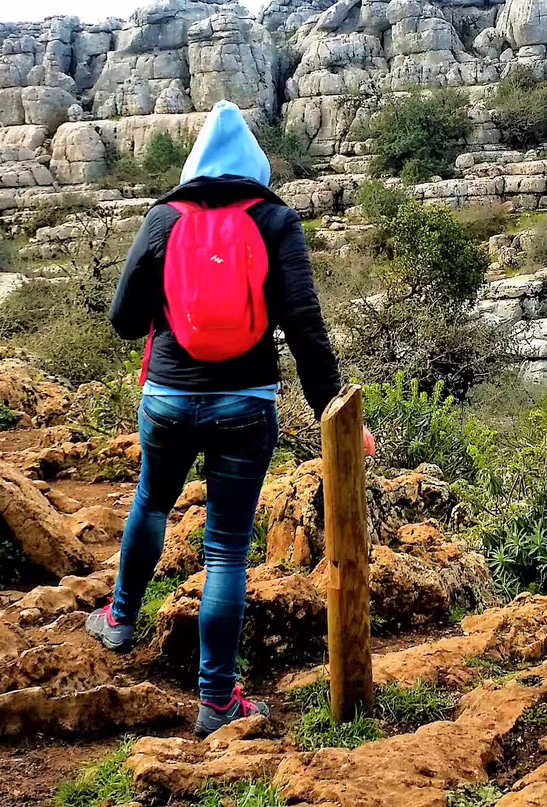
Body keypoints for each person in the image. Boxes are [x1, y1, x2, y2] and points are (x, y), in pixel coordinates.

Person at [88, 100, 367, 736]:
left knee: (152, 503)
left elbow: (124, 321)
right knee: (227, 552)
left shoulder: (164, 216)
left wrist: (170, 312)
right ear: (256, 165)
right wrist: (333, 412)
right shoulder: (275, 219)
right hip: (246, 405)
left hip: (167, 398)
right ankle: (216, 701)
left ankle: (121, 619)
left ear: (194, 163)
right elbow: (304, 325)